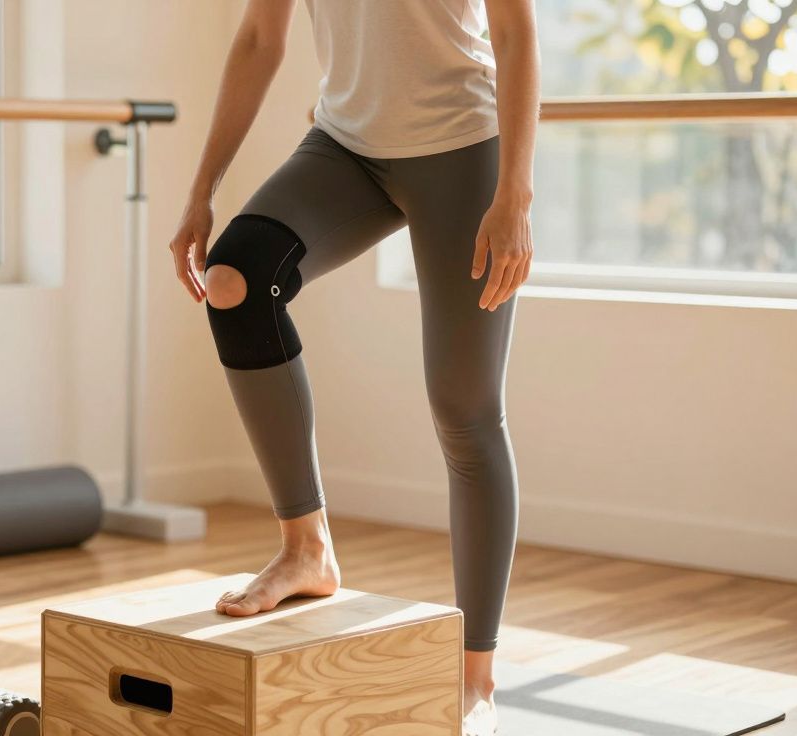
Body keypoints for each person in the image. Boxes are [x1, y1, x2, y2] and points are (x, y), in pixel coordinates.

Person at [168, 0, 538, 733]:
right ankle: (306, 550)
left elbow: (513, 30)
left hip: (463, 148)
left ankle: (476, 677)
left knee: (464, 410)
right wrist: (200, 191)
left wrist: (515, 192)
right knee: (236, 282)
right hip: (344, 149)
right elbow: (258, 38)